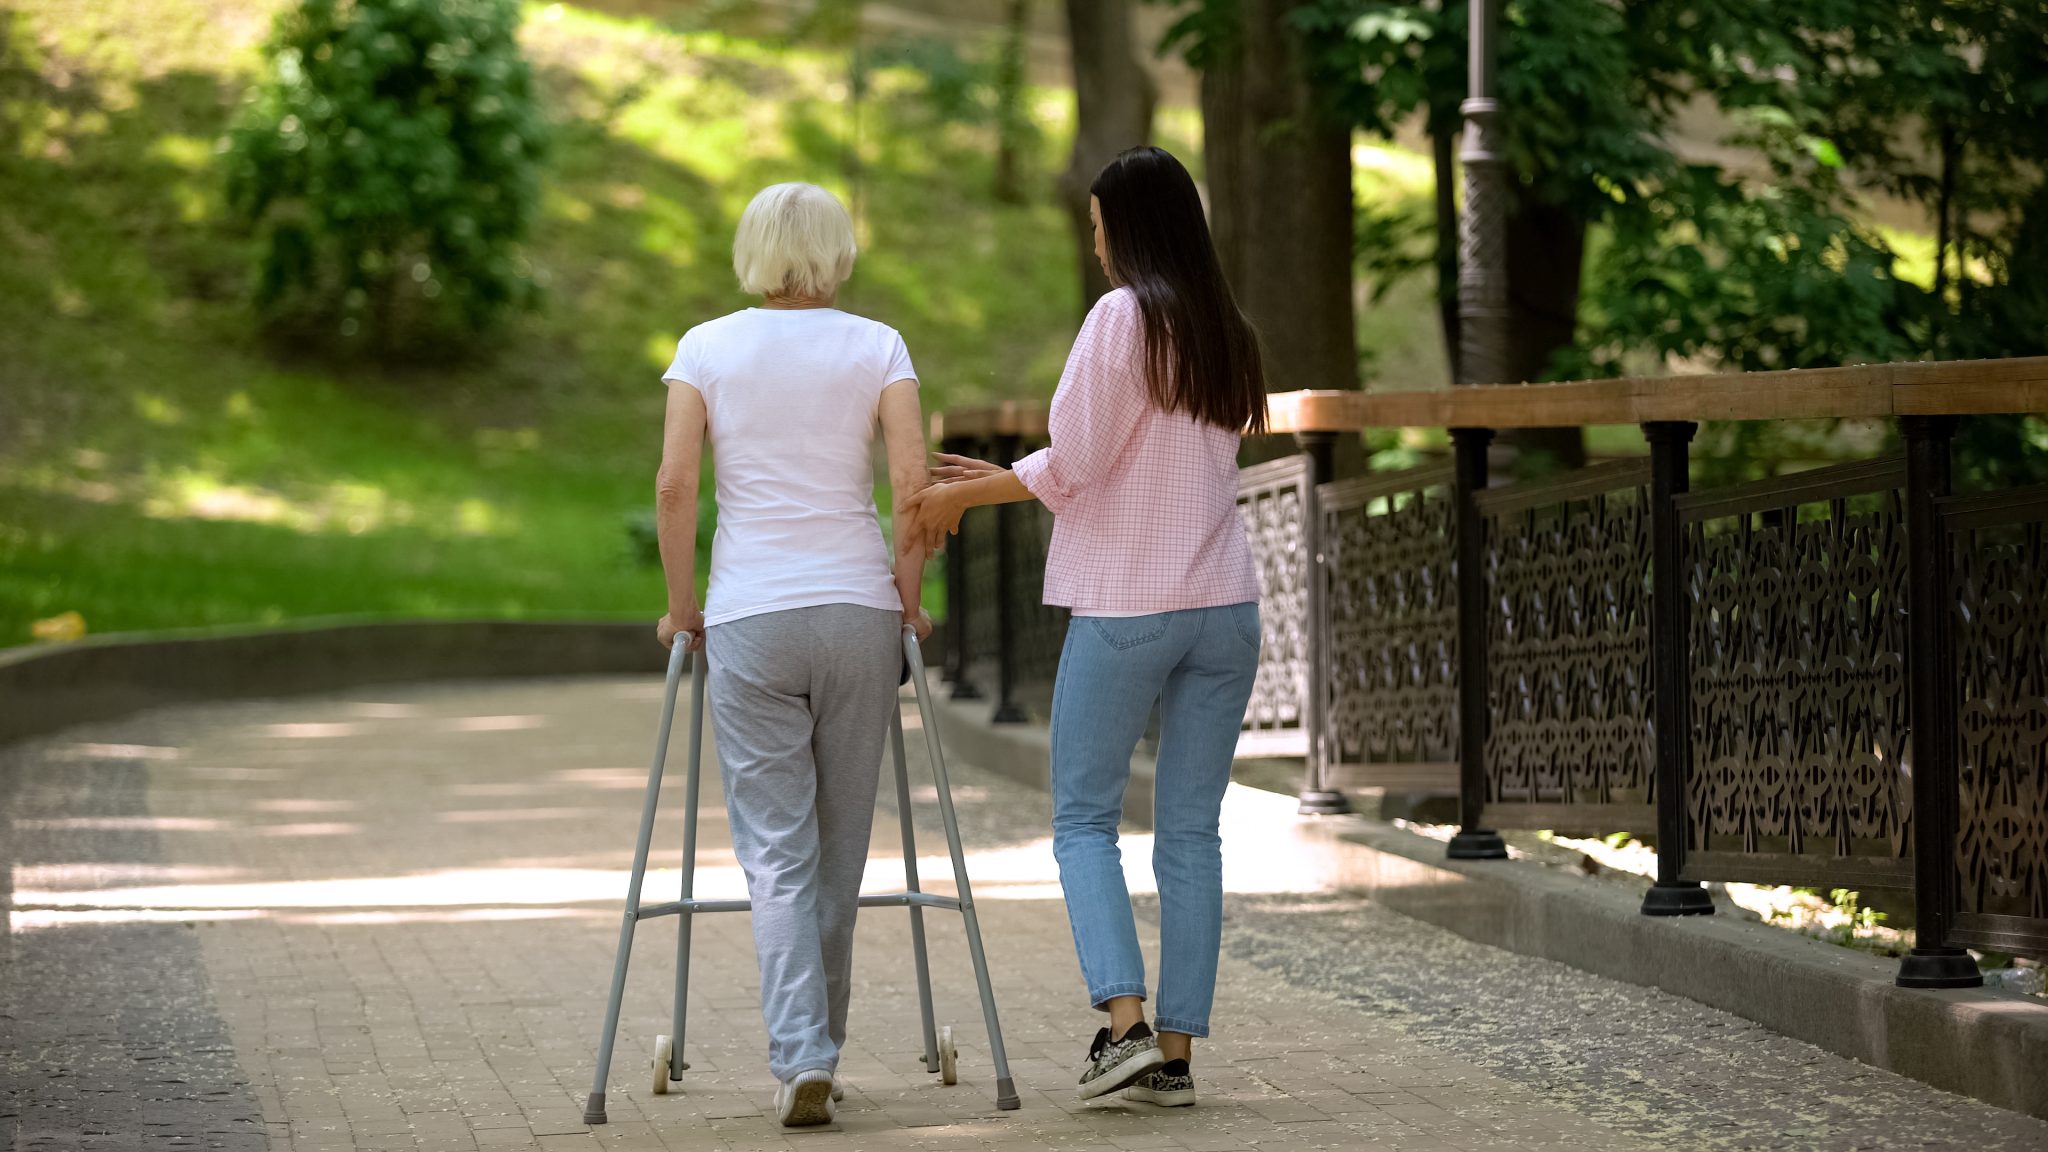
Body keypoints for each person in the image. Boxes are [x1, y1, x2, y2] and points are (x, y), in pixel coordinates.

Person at [904, 146, 1265, 1109]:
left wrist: (971, 496)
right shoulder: (1226, 329)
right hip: (1226, 608)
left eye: (1101, 226)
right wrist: (983, 485)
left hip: (1130, 606)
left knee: (1082, 820)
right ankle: (1176, 1058)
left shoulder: (1122, 318)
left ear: (1133, 228)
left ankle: (1125, 1028)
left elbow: (1077, 460)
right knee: (1191, 832)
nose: (1096, 245)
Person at [653, 181, 931, 1127]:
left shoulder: (705, 346)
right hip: (857, 612)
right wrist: (912, 605)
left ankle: (800, 1055)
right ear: (838, 249)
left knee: (776, 854)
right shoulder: (878, 344)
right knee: (839, 850)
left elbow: (678, 484)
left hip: (751, 617)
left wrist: (682, 606)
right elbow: (910, 485)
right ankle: (823, 1051)